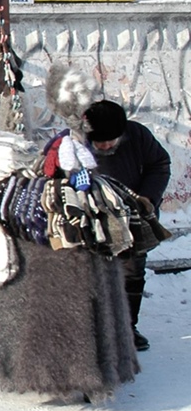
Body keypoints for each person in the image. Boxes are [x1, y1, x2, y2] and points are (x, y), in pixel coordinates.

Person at [84, 99, 171, 352]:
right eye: (101, 142)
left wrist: (148, 198)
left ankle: (127, 328)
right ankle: (93, 330)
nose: (106, 145)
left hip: (133, 217)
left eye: (111, 140)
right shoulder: (75, 143)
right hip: (94, 219)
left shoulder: (138, 135)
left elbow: (160, 164)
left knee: (132, 273)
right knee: (93, 274)